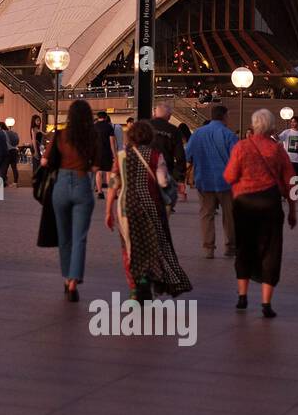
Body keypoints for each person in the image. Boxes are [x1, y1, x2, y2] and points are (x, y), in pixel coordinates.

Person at [105, 119, 191, 302]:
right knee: (152, 246)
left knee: (129, 248)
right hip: (151, 206)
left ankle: (135, 288)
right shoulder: (155, 155)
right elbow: (163, 182)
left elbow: (113, 185)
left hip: (126, 207)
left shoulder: (121, 156)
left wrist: (107, 212)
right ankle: (148, 279)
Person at [224, 108, 297, 318]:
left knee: (244, 248)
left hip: (244, 204)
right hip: (269, 203)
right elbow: (291, 181)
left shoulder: (241, 147)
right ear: (272, 126)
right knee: (271, 250)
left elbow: (229, 176)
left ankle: (242, 296)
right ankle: (266, 303)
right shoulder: (277, 150)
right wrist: (293, 209)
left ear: (254, 125)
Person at [44, 99, 98, 300]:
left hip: (61, 185)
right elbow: (96, 166)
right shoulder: (92, 136)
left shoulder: (60, 135)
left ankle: (67, 278)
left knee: (64, 237)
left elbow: (45, 160)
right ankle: (75, 280)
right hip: (83, 183)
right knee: (79, 237)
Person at [184, 104, 238, 259]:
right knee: (229, 215)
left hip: (204, 180)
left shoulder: (198, 134)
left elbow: (188, 155)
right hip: (226, 182)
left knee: (206, 214)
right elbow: (237, 159)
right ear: (225, 116)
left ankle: (209, 248)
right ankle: (230, 247)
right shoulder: (229, 135)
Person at [149, 104, 186, 211]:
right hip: (166, 168)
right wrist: (180, 177)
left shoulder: (145, 126)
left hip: (146, 166)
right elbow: (180, 155)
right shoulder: (173, 130)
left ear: (155, 113)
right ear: (169, 116)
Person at [277, 115, 298, 188]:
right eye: (291, 122)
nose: (292, 123)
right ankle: (287, 192)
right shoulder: (286, 132)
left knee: (297, 177)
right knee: (287, 176)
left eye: (294, 122)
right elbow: (278, 139)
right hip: (287, 159)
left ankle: (296, 194)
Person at [94, 111, 117, 197]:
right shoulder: (109, 127)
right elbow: (112, 142)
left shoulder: (94, 127)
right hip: (107, 152)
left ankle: (100, 192)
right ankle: (110, 192)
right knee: (109, 173)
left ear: (98, 117)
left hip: (97, 153)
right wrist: (114, 155)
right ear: (106, 117)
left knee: (98, 172)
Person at [5, 121, 21, 187]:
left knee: (4, 168)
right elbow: (17, 142)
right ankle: (15, 183)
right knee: (14, 168)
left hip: (8, 151)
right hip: (14, 151)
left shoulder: (4, 133)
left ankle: (4, 181)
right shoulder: (15, 133)